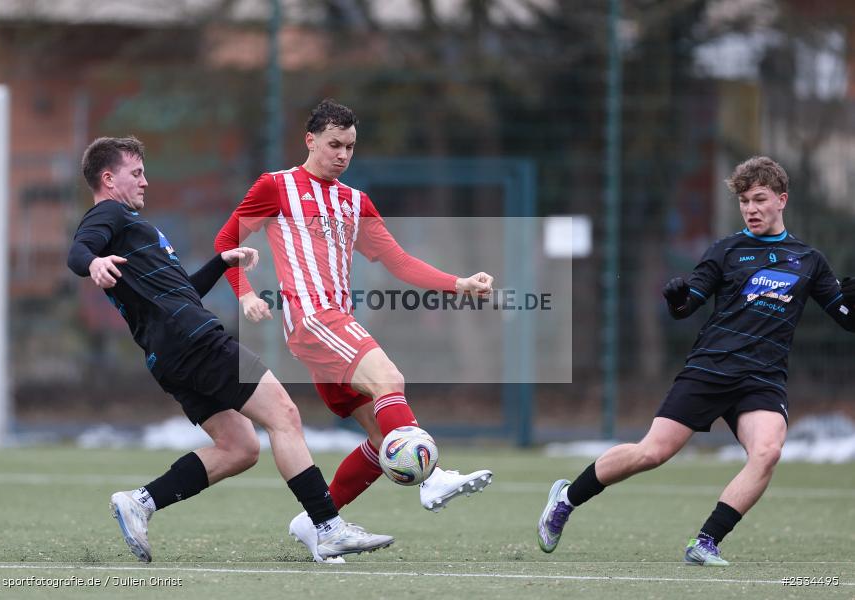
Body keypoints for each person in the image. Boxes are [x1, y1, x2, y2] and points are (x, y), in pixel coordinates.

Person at [67, 136, 393, 564]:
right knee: (284, 415)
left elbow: (183, 292)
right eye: (136, 173)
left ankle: (141, 502)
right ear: (108, 179)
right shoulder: (109, 213)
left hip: (169, 354)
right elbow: (77, 250)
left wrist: (221, 263)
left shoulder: (127, 229)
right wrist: (91, 262)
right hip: (195, 340)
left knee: (240, 447)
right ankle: (328, 527)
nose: (145, 182)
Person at [538, 156, 855, 566]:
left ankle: (705, 542)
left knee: (768, 452)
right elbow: (687, 306)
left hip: (762, 379)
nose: (751, 209)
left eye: (759, 199)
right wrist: (676, 297)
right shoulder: (726, 251)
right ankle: (566, 499)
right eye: (744, 201)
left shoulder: (809, 260)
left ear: (782, 199)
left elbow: (846, 319)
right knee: (651, 453)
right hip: (711, 368)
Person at [214, 99, 495, 557]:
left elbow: (398, 262)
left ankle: (316, 524)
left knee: (384, 437)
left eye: (350, 146)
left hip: (336, 325)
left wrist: (459, 284)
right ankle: (433, 478)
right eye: (333, 145)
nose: (342, 155)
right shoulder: (276, 186)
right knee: (391, 380)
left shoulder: (353, 201)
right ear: (310, 141)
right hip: (312, 320)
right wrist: (244, 292)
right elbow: (226, 241)